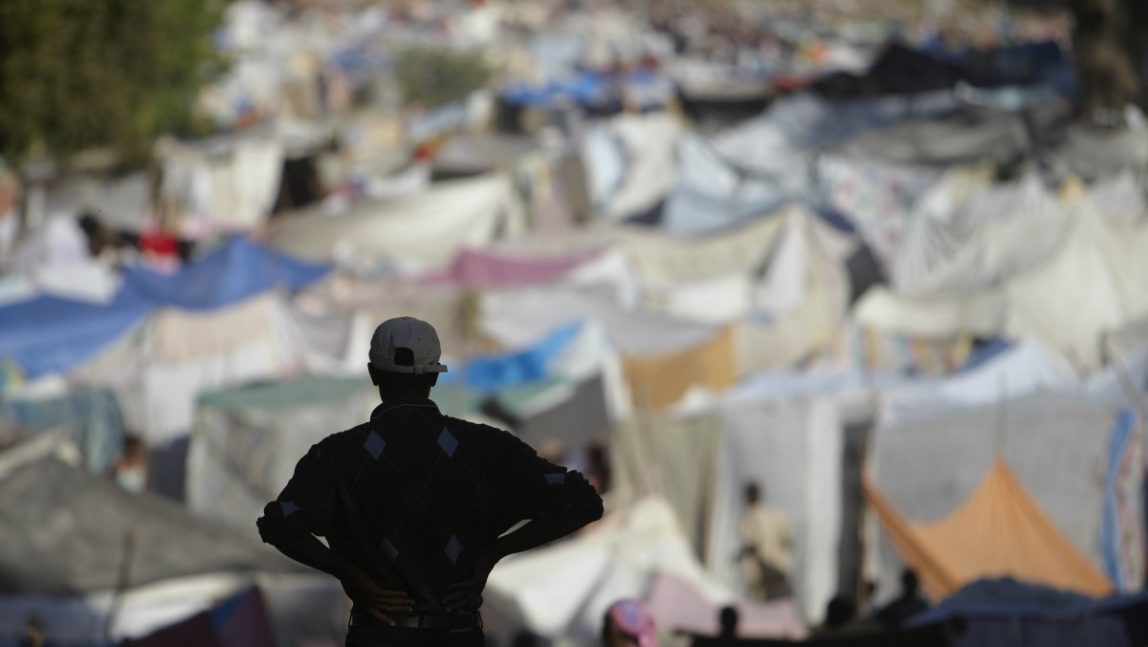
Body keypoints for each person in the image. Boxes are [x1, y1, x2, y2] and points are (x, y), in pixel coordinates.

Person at [258, 317, 603, 646]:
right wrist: (493, 553)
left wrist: (352, 576)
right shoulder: (486, 448)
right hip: (457, 637)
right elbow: (584, 503)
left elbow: (278, 525)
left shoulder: (336, 456)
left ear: (373, 374)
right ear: (434, 378)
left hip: (378, 638)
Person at [737, 481, 792, 600]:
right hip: (780, 572)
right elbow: (787, 541)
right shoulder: (776, 515)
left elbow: (753, 546)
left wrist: (739, 555)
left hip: (765, 576)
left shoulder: (748, 519)